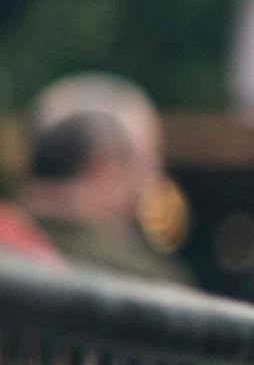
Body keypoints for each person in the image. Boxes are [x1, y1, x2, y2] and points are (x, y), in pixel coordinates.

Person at [19, 71, 189, 285]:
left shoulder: (11, 247)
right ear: (105, 171)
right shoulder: (148, 282)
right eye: (148, 160)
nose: (155, 175)